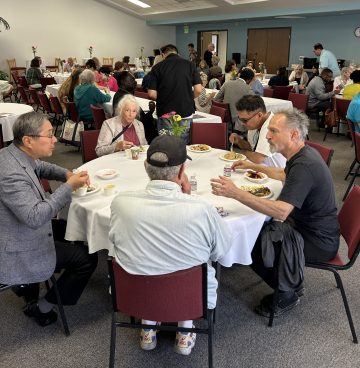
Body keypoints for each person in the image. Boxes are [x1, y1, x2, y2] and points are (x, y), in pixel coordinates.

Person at [211, 109, 340, 317]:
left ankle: (287, 292)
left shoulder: (305, 165)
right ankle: (289, 278)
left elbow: (281, 212)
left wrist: (236, 193)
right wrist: (252, 166)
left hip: (317, 240)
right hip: (312, 228)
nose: (268, 136)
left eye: (273, 131)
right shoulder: (301, 153)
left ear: (294, 134)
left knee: (252, 240)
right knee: (256, 229)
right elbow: (282, 173)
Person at [109, 135, 231, 354]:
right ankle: (184, 332)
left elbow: (116, 243)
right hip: (189, 298)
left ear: (145, 166)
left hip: (134, 296)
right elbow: (221, 251)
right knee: (191, 262)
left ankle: (148, 327)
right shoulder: (202, 208)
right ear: (182, 171)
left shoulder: (120, 203)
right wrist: (189, 199)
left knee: (144, 257)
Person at [0, 112, 98, 326]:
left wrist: (66, 174)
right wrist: (68, 187)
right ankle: (41, 307)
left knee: (74, 229)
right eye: (49, 135)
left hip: (16, 226)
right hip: (18, 244)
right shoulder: (10, 174)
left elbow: (41, 168)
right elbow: (35, 217)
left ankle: (28, 285)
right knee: (87, 257)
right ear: (28, 140)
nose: (55, 140)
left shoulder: (13, 153)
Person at [148, 44, 202, 143]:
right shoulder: (190, 65)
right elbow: (198, 89)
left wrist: (163, 98)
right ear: (177, 53)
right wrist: (189, 98)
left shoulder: (157, 67)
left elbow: (151, 94)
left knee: (166, 143)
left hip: (165, 111)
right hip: (185, 110)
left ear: (163, 55)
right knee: (183, 144)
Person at [229, 95, 286, 168]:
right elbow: (251, 148)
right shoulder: (254, 125)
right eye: (241, 120)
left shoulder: (272, 126)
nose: (243, 124)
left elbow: (258, 158)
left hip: (276, 173)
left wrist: (240, 152)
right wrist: (239, 141)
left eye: (245, 120)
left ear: (259, 115)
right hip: (261, 168)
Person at [112, 71, 157, 143]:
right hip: (133, 132)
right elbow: (139, 120)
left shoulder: (120, 94)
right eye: (131, 80)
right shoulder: (125, 99)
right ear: (123, 83)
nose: (135, 82)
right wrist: (151, 111)